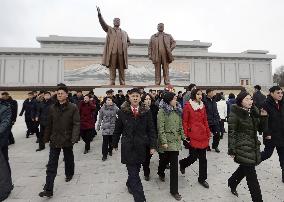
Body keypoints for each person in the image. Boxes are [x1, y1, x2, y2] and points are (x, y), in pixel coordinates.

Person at [112, 88, 156, 202]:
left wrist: (152, 145)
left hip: (141, 146)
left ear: (140, 97)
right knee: (134, 175)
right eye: (133, 96)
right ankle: (140, 199)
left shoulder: (146, 111)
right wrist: (114, 143)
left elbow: (151, 129)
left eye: (137, 96)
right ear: (129, 97)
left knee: (135, 170)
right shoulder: (122, 111)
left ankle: (129, 183)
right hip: (128, 146)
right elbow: (118, 129)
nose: (135, 98)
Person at [39, 86, 80, 198]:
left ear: (67, 95)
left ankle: (69, 173)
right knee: (52, 164)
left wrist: (74, 138)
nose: (59, 95)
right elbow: (49, 124)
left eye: (62, 93)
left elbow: (76, 123)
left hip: (67, 138)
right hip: (55, 139)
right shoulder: (52, 108)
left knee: (68, 158)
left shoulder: (73, 107)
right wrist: (46, 138)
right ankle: (48, 189)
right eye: (58, 94)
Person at [228, 91, 267, 202]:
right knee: (252, 178)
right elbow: (232, 132)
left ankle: (232, 181)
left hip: (253, 146)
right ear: (240, 101)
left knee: (244, 168)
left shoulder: (253, 112)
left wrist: (263, 117)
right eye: (247, 99)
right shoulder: (235, 113)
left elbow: (260, 129)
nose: (250, 101)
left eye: (251, 99)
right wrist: (232, 149)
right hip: (241, 147)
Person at [179, 89, 211, 189]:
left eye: (201, 94)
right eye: (198, 94)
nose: (200, 96)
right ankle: (183, 163)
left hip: (202, 134)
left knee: (203, 159)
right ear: (194, 95)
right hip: (192, 135)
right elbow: (184, 121)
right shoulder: (188, 106)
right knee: (193, 157)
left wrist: (208, 131)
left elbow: (205, 119)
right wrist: (186, 135)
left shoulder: (203, 105)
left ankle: (202, 179)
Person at [157, 92, 184, 201]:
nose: (176, 100)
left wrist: (183, 137)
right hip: (166, 141)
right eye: (174, 99)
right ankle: (160, 171)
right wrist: (164, 141)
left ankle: (174, 191)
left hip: (175, 141)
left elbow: (180, 125)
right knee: (164, 160)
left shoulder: (177, 109)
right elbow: (160, 127)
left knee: (174, 167)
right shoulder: (162, 111)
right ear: (169, 100)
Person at [97, 6, 130, 85]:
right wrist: (100, 15)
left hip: (121, 53)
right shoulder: (110, 29)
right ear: (113, 22)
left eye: (118, 21)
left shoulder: (124, 32)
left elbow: (129, 41)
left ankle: (122, 81)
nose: (117, 22)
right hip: (113, 53)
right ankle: (112, 81)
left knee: (121, 68)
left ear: (120, 22)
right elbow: (103, 24)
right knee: (112, 68)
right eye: (115, 20)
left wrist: (125, 46)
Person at [261, 86, 284, 183]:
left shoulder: (282, 103)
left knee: (283, 156)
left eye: (281, 93)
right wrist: (267, 133)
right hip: (271, 135)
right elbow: (263, 121)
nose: (280, 95)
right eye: (278, 93)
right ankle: (251, 161)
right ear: (271, 93)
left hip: (282, 135)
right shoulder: (265, 104)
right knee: (267, 154)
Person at [141, 93, 159, 181]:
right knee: (146, 155)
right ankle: (146, 172)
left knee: (151, 153)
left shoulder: (155, 108)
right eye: (146, 99)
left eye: (149, 99)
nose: (148, 101)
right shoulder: (141, 109)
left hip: (153, 134)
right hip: (143, 135)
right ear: (143, 100)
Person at [0, 100, 13, 201]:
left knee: (3, 164)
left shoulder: (5, 108)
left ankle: (6, 187)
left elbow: (5, 123)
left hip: (1, 140)